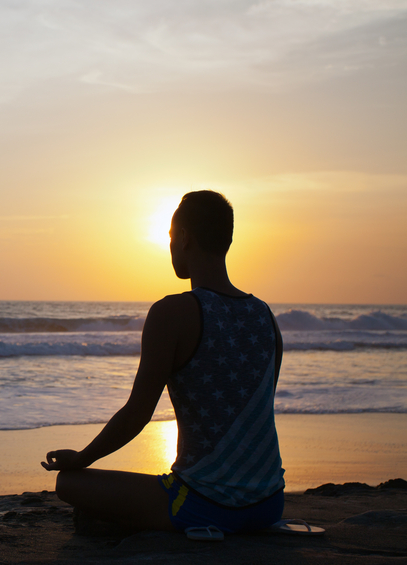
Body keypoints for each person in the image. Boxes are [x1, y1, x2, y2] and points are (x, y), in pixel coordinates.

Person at [41, 190, 284, 533]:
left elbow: (136, 416)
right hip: (270, 504)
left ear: (184, 237)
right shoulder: (265, 316)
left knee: (69, 484)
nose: (169, 246)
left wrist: (81, 458)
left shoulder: (171, 312)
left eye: (171, 236)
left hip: (203, 503)